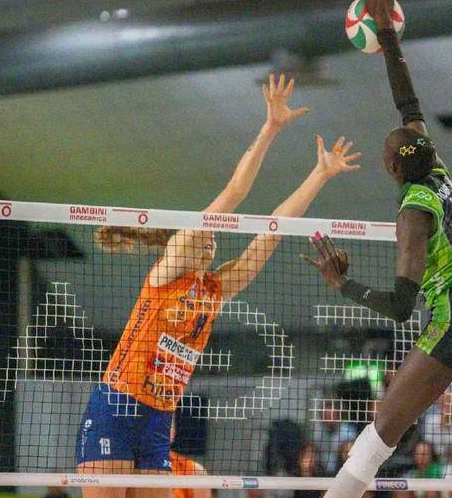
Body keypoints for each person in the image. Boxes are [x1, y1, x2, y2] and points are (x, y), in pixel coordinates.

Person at [77, 74, 359, 498]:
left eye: (212, 238)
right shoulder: (170, 269)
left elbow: (273, 229)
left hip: (159, 418)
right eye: (205, 233)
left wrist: (319, 175)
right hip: (117, 405)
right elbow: (234, 192)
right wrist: (270, 128)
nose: (211, 238)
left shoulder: (215, 289)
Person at [304, 0, 452, 498]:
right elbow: (408, 102)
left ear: (391, 167)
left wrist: (343, 285)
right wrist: (387, 34)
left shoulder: (413, 211)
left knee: (378, 436)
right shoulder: (436, 168)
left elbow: (402, 306)